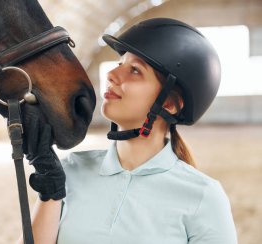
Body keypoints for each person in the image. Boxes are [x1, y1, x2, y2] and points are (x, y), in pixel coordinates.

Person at [19, 18, 238, 244]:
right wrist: (50, 193)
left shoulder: (203, 196)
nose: (112, 75)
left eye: (134, 70)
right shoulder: (69, 171)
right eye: (119, 64)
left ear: (170, 104)